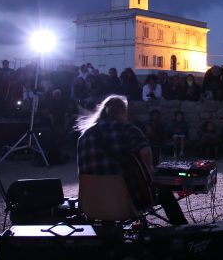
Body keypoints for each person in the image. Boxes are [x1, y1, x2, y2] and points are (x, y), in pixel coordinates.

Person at [76, 95, 186, 225]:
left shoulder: (84, 135)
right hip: (124, 202)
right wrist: (149, 170)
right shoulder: (128, 129)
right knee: (163, 191)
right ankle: (183, 230)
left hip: (92, 204)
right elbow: (145, 151)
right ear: (123, 112)